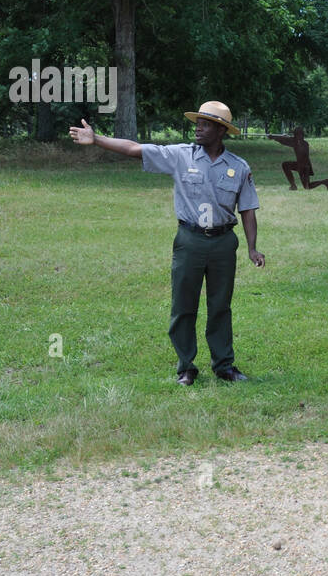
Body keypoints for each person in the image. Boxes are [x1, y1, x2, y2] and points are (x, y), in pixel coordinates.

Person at [68, 101, 264, 384]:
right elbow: (135, 149)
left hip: (223, 243)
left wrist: (252, 247)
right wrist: (97, 139)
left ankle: (224, 366)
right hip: (190, 240)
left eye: (205, 124)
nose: (198, 128)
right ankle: (186, 366)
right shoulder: (180, 156)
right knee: (183, 305)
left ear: (221, 131)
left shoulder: (239, 167)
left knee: (220, 306)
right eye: (197, 123)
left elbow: (247, 210)